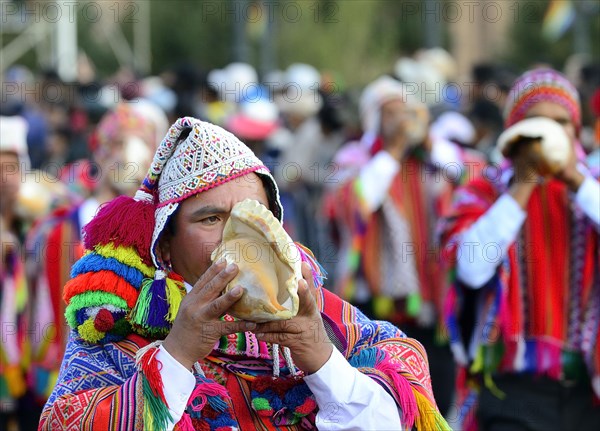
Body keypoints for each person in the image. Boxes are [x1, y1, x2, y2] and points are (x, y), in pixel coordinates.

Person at [39, 117, 450, 431]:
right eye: (211, 218)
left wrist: (322, 360)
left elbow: (397, 421)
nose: (239, 237)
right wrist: (178, 354)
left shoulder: (328, 321)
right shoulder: (117, 336)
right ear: (165, 246)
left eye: (254, 217)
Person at [441, 68, 600, 431]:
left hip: (589, 390)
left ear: (576, 130)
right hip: (513, 390)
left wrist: (576, 180)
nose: (550, 134)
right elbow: (470, 268)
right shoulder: (485, 190)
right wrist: (523, 184)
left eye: (562, 123)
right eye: (536, 124)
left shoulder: (592, 186)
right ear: (515, 129)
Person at [325, 76, 484, 416]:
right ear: (373, 120)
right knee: (383, 399)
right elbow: (355, 206)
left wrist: (426, 139)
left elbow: (472, 181)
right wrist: (392, 150)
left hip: (432, 304)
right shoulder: (355, 159)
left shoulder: (436, 159)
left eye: (406, 112)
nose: (401, 121)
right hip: (374, 308)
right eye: (390, 114)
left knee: (435, 400)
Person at [25, 102, 166, 407]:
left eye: (142, 145)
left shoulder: (163, 235)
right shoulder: (59, 226)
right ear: (99, 149)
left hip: (136, 388)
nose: (128, 156)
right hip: (63, 384)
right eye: (118, 143)